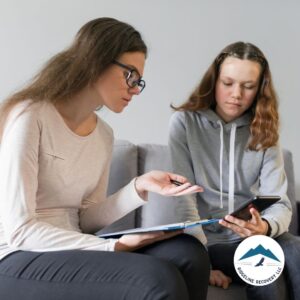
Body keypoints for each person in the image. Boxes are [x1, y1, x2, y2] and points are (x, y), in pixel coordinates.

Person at [0, 18, 210, 300]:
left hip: (72, 246)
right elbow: (20, 230)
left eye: (140, 81)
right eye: (130, 75)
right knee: (157, 279)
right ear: (96, 61)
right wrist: (114, 247)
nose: (136, 89)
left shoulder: (103, 135)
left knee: (188, 253)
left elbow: (85, 219)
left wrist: (139, 187)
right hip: (16, 255)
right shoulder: (30, 116)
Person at [169, 41, 300, 300]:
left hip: (258, 234)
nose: (237, 94)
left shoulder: (265, 130)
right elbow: (184, 200)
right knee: (263, 267)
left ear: (260, 89)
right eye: (228, 83)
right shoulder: (184, 123)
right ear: (214, 81)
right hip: (213, 242)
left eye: (248, 86)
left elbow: (280, 203)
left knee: (295, 250)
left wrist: (264, 227)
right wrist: (203, 261)